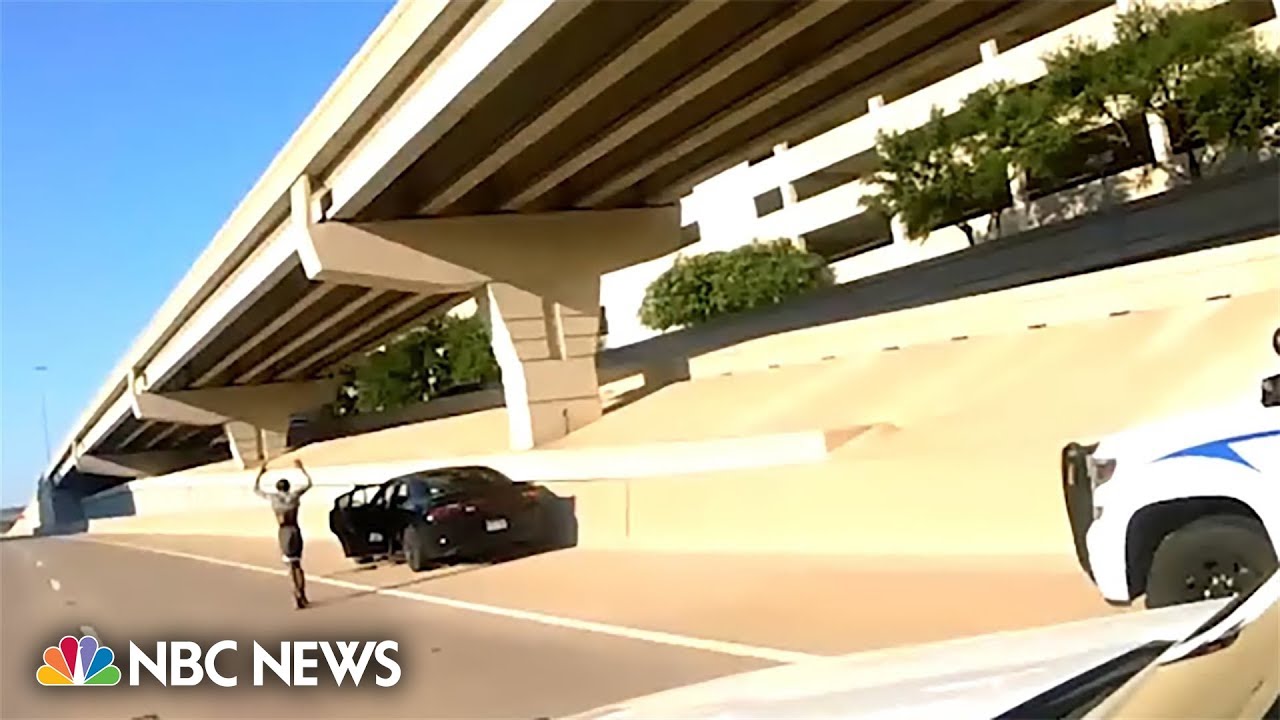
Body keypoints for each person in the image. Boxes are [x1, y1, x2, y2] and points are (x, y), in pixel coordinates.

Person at [253, 458, 314, 609]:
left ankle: (297, 593)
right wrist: (301, 469)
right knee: (298, 564)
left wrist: (261, 473)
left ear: (277, 488)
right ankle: (302, 593)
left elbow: (256, 489)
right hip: (295, 529)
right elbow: (309, 484)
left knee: (291, 566)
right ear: (288, 487)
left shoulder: (274, 499)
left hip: (284, 532)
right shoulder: (293, 497)